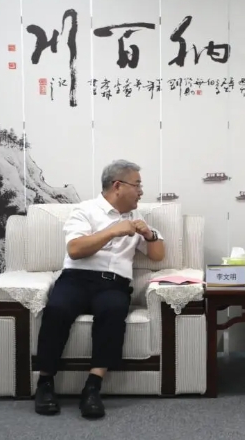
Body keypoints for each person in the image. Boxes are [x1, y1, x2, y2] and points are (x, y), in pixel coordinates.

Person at [34, 159, 165, 419]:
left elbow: (158, 255)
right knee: (57, 310)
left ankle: (93, 387)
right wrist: (113, 231)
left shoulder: (136, 219)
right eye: (137, 185)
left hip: (114, 284)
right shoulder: (85, 211)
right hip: (76, 279)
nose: (141, 191)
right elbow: (75, 249)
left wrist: (149, 235)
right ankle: (45, 383)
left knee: (113, 311)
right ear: (118, 186)